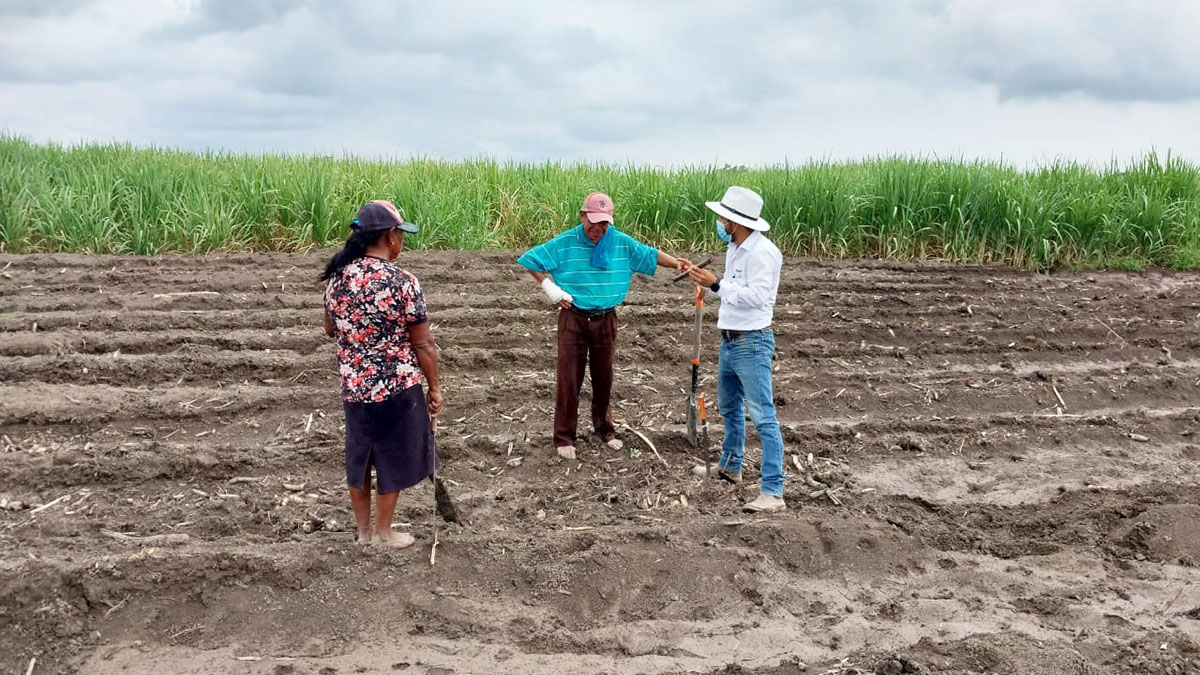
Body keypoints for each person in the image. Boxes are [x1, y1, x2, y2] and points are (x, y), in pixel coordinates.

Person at [518, 192, 689, 460]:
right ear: (582, 215)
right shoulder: (565, 243)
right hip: (573, 318)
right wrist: (549, 287)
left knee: (604, 377)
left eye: (603, 224)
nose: (597, 229)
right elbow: (530, 260)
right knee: (569, 379)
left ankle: (605, 430)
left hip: (606, 319)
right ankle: (564, 437)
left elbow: (650, 255)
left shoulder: (619, 242)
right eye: (593, 222)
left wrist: (677, 263)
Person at [320, 200, 443, 548]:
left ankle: (362, 532)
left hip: (354, 386)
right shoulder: (403, 281)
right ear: (390, 236)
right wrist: (434, 388)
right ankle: (384, 533)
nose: (402, 241)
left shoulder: (337, 279)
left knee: (360, 455)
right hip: (396, 386)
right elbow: (423, 344)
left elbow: (331, 329)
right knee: (393, 454)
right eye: (401, 234)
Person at [683, 186, 787, 513]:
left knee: (762, 415)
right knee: (729, 407)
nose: (719, 220)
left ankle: (773, 491)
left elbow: (758, 297)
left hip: (752, 342)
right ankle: (730, 466)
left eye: (722, 216)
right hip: (730, 339)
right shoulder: (735, 246)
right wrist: (707, 286)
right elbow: (731, 291)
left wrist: (716, 284)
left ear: (735, 220)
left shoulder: (762, 253)